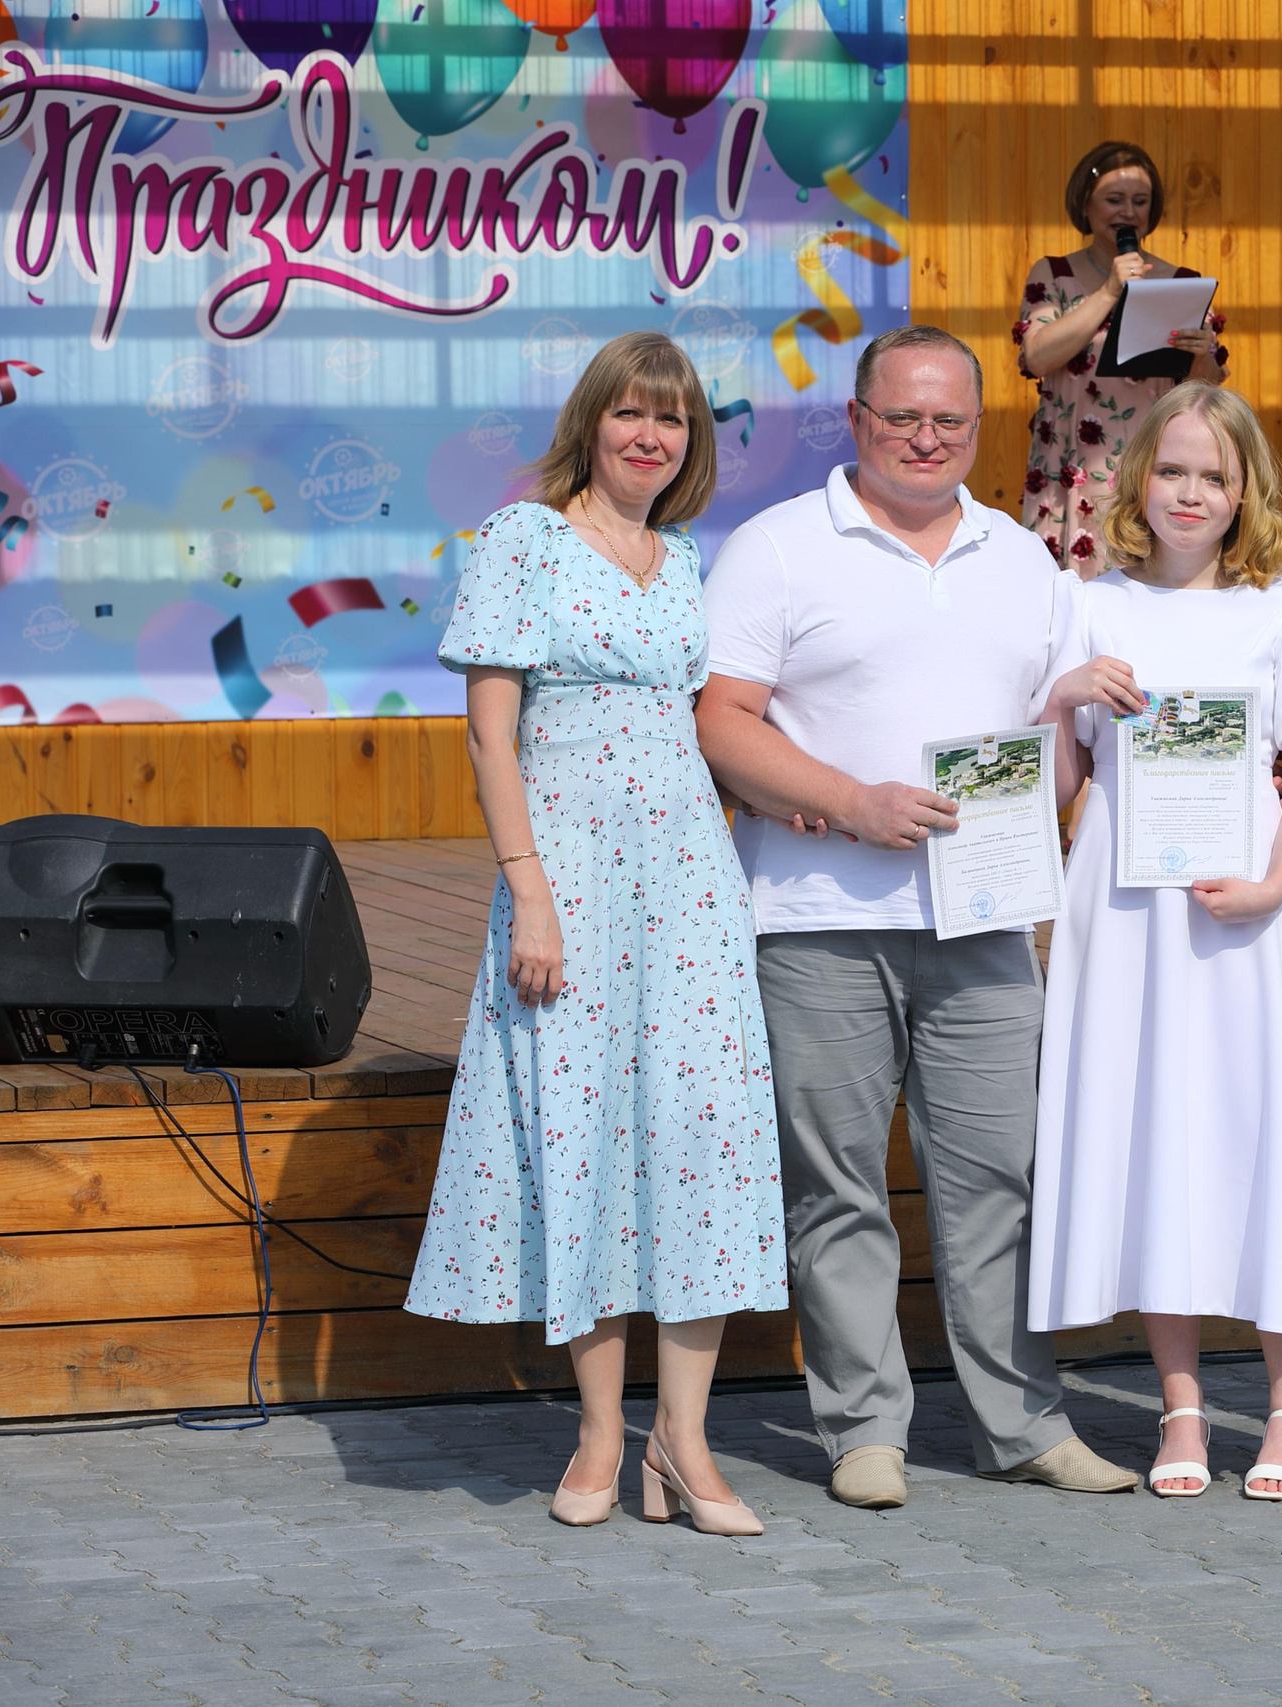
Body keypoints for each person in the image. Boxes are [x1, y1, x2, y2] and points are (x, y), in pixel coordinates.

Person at [693, 324, 1139, 1509]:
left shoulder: (1025, 562)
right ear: (856, 421)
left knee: (998, 1178)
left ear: (978, 427)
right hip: (816, 917)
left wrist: (1061, 717)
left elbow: (1050, 776)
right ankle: (863, 1431)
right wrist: (851, 802)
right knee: (836, 1183)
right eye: (902, 418)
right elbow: (721, 718)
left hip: (985, 922)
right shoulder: (777, 547)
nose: (926, 439)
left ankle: (1021, 1424)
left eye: (949, 420)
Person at [404, 330, 785, 1538]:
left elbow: (709, 726)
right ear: (593, 421)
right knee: (586, 1139)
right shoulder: (522, 539)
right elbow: (489, 735)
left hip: (688, 883)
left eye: (672, 418)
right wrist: (529, 888)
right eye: (631, 412)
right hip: (567, 876)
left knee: (700, 1142)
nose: (650, 435)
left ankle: (685, 1440)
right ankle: (601, 1433)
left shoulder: (685, 561)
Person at [1028, 382, 1282, 1502]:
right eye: (1173, 469)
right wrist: (1059, 698)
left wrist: (1278, 885)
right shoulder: (1087, 605)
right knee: (1154, 1137)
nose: (1190, 493)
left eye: (1215, 476)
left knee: (1264, 1131)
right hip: (1124, 917)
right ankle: (1180, 1408)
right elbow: (1059, 786)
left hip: (1246, 911)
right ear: (1137, 476)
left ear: (1247, 493)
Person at [1015, 140, 1227, 575]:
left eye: (1140, 201)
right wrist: (1111, 290)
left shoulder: (1179, 281)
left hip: (1153, 469)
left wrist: (1200, 352)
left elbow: (1205, 386)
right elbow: (1036, 356)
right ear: (1085, 204)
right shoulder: (1054, 274)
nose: (1128, 212)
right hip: (1070, 467)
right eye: (1114, 200)